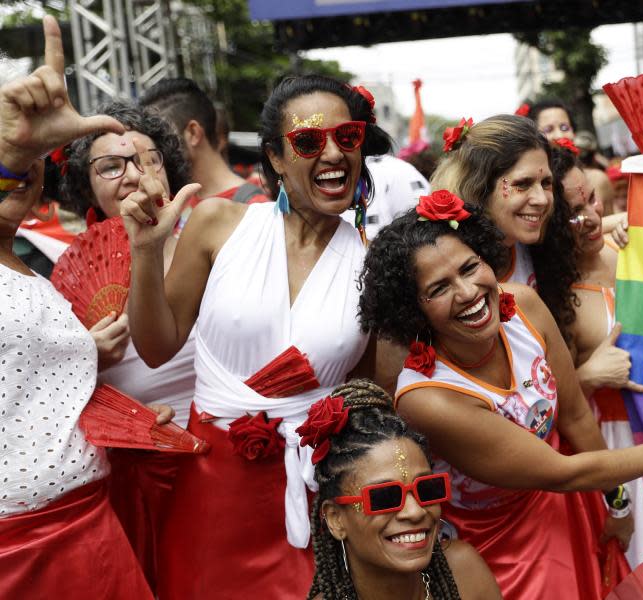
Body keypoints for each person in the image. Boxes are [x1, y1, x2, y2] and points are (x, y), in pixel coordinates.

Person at [358, 192, 643, 598]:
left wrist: (616, 504)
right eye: (439, 288)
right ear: (412, 310)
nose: (469, 291)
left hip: (571, 503)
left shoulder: (522, 304)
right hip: (498, 545)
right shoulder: (427, 398)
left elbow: (576, 416)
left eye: (471, 267)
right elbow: (560, 472)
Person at [121, 74, 392, 599]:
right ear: (276, 157)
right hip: (211, 486)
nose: (333, 153)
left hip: (319, 488)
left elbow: (370, 391)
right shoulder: (219, 223)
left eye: (348, 137)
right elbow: (156, 349)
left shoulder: (376, 261)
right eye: (310, 141)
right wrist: (147, 252)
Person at [0, 16, 167, 597]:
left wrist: (88, 363)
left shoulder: (33, 268)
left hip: (91, 523)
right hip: (17, 550)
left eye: (31, 166)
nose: (20, 176)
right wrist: (10, 147)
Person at [59, 100, 200, 588]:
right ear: (88, 187)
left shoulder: (211, 246)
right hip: (130, 475)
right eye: (111, 165)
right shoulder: (65, 275)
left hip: (217, 452)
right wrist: (83, 358)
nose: (134, 174)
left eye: (148, 158)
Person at [550, 142, 643, 567]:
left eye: (592, 199)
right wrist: (588, 376)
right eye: (573, 214)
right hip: (613, 448)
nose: (591, 218)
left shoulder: (636, 250)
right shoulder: (550, 296)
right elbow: (539, 409)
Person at [302, 379, 500, 600]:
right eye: (385, 497)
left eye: (427, 489)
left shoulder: (464, 573)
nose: (415, 511)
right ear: (335, 519)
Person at [431, 114, 579, 339]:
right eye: (522, 184)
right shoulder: (445, 268)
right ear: (479, 189)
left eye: (546, 183)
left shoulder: (534, 243)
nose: (541, 199)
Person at [139, 77, 269, 204]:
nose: (155, 148)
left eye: (162, 137)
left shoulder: (254, 208)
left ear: (193, 133)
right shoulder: (175, 205)